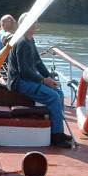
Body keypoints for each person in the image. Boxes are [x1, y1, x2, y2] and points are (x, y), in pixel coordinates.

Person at [7, 12, 72, 149]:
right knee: (53, 97)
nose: (35, 24)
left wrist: (49, 77)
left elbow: (38, 62)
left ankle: (58, 130)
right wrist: (43, 81)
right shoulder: (22, 42)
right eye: (32, 22)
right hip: (19, 82)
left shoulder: (30, 40)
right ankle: (56, 137)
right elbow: (23, 71)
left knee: (59, 93)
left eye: (36, 21)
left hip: (28, 79)